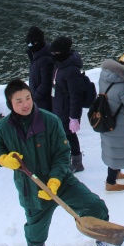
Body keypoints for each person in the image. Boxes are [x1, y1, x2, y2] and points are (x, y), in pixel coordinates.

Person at [0, 80, 109, 246]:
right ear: (10, 104)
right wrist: (4, 159)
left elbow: (63, 153)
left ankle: (104, 241)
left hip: (61, 181)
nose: (25, 104)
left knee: (94, 205)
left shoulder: (49, 120)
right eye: (19, 101)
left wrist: (54, 180)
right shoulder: (4, 128)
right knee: (35, 230)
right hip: (31, 188)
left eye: (28, 98)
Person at [98, 49, 124, 193]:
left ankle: (116, 172)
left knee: (111, 148)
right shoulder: (123, 85)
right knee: (118, 150)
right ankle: (110, 183)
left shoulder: (105, 76)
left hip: (106, 117)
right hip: (118, 123)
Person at [50, 36, 86, 173]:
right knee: (62, 135)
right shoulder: (59, 65)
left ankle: (77, 162)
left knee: (70, 136)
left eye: (55, 53)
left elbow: (75, 96)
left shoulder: (71, 71)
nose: (52, 55)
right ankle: (65, 158)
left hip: (67, 110)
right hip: (59, 107)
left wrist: (74, 117)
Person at [25, 26, 54, 112]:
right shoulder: (36, 55)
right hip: (38, 102)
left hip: (44, 104)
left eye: (30, 44)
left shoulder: (45, 60)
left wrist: (34, 97)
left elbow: (46, 83)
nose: (28, 46)